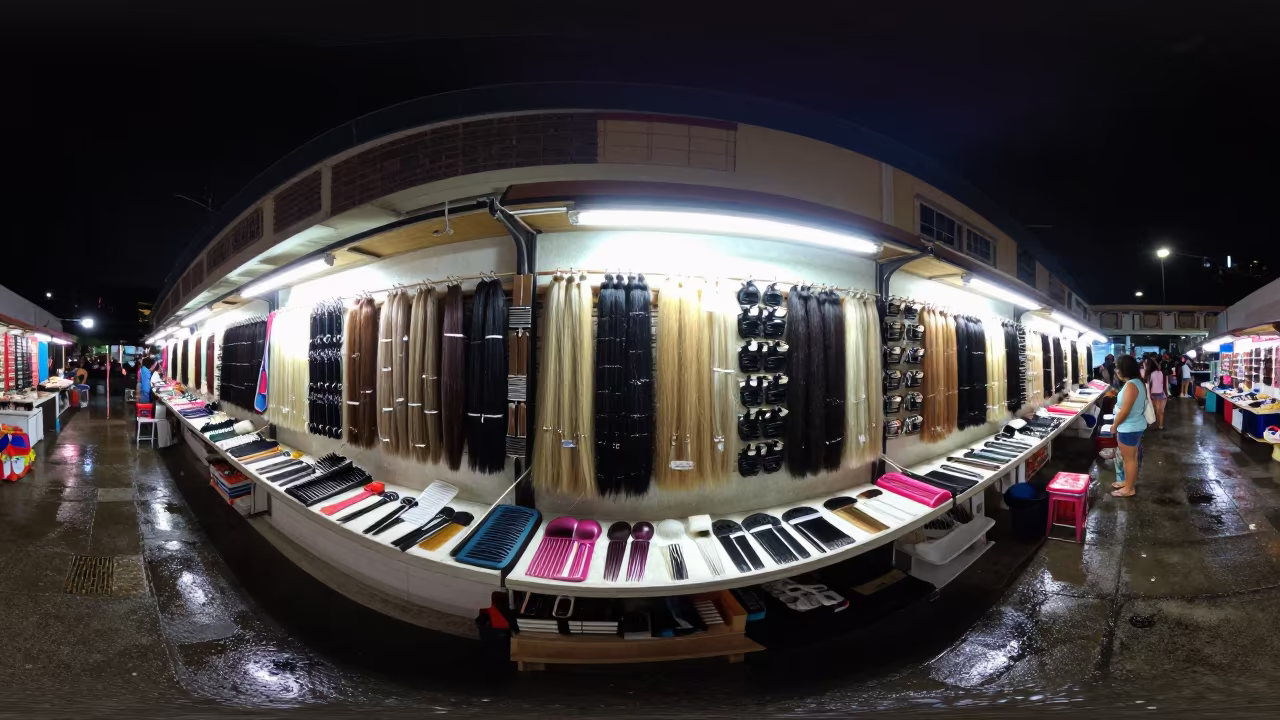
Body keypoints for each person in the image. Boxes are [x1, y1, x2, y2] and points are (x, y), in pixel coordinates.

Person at [1111, 354, 1149, 498]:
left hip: (1129, 428)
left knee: (1129, 459)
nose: (1116, 370)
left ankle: (1129, 489)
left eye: (1117, 367)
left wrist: (1115, 425)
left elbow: (1125, 411)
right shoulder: (1136, 382)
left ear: (1124, 369)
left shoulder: (1131, 385)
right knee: (1131, 457)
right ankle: (1127, 483)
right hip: (1133, 426)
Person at [1145, 357, 1167, 430]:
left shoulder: (1150, 374)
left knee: (1156, 411)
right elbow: (1164, 384)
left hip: (1154, 394)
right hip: (1162, 394)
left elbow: (1149, 386)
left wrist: (1149, 396)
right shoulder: (1161, 372)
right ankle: (1161, 426)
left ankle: (1157, 425)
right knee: (1161, 412)